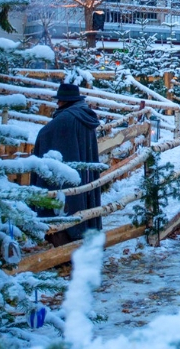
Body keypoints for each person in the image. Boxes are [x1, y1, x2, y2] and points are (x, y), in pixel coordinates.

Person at [31, 83, 101, 246]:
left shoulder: (64, 120)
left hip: (65, 175)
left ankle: (66, 239)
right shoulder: (84, 115)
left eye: (59, 101)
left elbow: (44, 136)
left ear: (65, 101)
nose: (57, 104)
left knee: (66, 202)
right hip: (82, 174)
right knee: (81, 197)